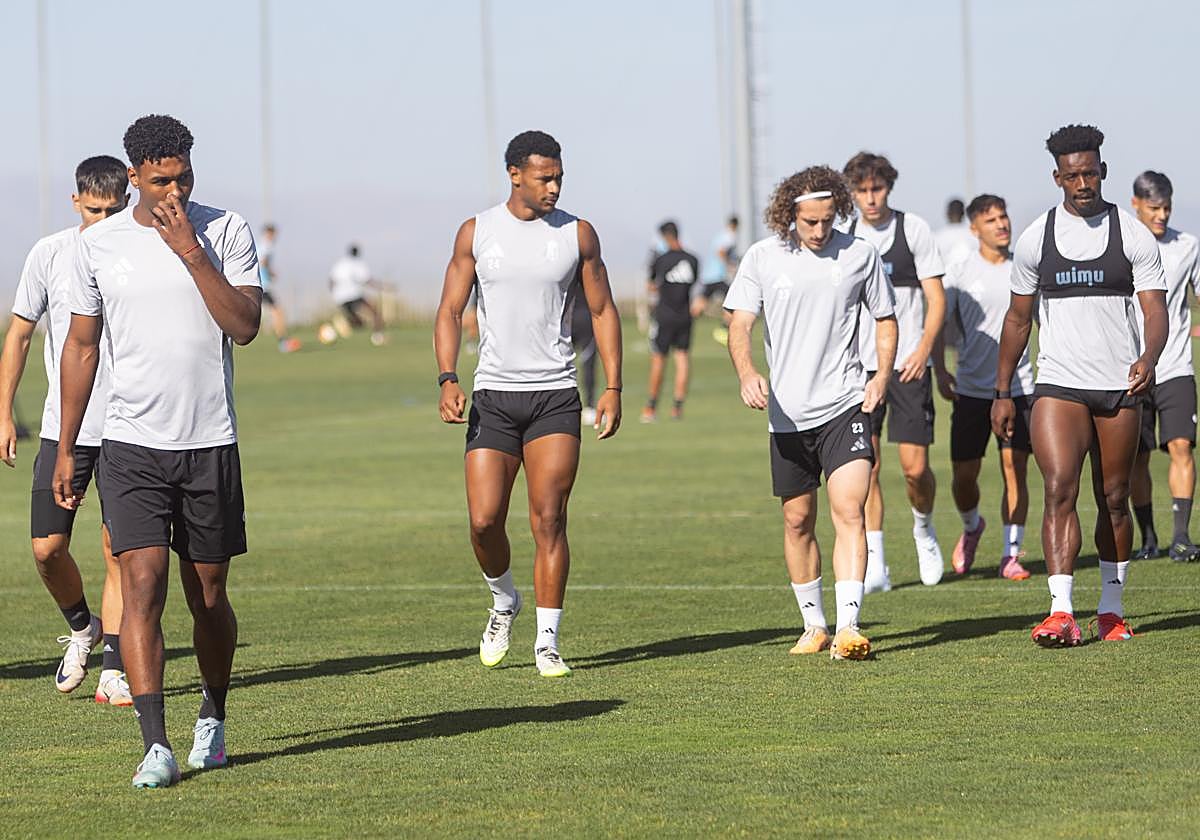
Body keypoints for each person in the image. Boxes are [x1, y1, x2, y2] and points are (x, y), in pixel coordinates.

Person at [55, 114, 262, 786]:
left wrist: (190, 251)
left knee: (208, 597)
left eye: (184, 176)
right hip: (130, 446)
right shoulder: (102, 245)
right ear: (135, 176)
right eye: (161, 179)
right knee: (141, 585)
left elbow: (246, 325)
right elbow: (83, 345)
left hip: (209, 444)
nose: (174, 190)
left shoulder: (225, 230)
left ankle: (214, 714)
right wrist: (66, 444)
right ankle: (154, 745)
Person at [434, 130, 623, 678]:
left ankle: (547, 641)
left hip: (556, 396)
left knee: (549, 519)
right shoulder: (477, 232)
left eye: (560, 176)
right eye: (545, 177)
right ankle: (502, 601)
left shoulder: (578, 235)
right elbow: (450, 309)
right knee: (484, 521)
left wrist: (612, 387)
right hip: (493, 395)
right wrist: (447, 377)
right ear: (515, 174)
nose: (555, 187)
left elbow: (605, 309)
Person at [993, 124, 1168, 647]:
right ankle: (1060, 611)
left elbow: (1155, 309)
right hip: (1059, 385)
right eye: (1073, 175)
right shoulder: (1037, 237)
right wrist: (1003, 390)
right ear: (1058, 178)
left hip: (1119, 388)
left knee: (1114, 498)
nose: (1083, 182)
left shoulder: (1131, 233)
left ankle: (1111, 611)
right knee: (1058, 488)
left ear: (1103, 171)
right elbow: (1018, 320)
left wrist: (1150, 355)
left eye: (1090, 172)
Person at [726, 166, 897, 660]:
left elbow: (885, 320)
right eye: (810, 223)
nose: (820, 232)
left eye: (827, 221)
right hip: (787, 415)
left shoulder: (860, 255)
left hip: (847, 404)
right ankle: (814, 625)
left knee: (849, 510)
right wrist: (746, 373)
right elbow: (739, 325)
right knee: (798, 520)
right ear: (789, 216)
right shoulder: (763, 257)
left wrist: (880, 376)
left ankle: (849, 626)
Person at [0, 155, 131, 705]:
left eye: (113, 210)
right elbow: (21, 334)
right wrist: (5, 411)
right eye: (93, 209)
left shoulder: (138, 254)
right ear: (76, 201)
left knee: (120, 551)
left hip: (130, 426)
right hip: (65, 428)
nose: (102, 220)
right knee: (47, 548)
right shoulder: (50, 254)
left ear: (127, 202)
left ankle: (116, 667)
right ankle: (83, 626)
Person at [843, 152, 947, 591]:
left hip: (906, 365)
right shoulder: (843, 236)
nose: (870, 198)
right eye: (862, 191)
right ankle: (876, 564)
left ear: (889, 187)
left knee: (914, 469)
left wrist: (923, 349)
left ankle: (923, 529)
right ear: (851, 192)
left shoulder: (913, 230)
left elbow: (936, 299)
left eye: (877, 189)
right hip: (858, 370)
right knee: (865, 467)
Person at [933, 194, 1034, 581]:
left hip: (1019, 387)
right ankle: (973, 525)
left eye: (1004, 216)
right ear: (974, 229)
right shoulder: (958, 271)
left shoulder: (1024, 269)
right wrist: (940, 371)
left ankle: (1011, 554)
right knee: (964, 477)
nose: (1001, 224)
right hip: (972, 390)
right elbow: (941, 324)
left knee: (1015, 467)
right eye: (991, 220)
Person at [1128, 171, 1200, 563]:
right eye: (1154, 208)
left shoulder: (1187, 246)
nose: (1162, 215)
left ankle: (1181, 538)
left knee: (1181, 446)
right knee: (1137, 456)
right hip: (1132, 369)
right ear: (1135, 203)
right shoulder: (1121, 243)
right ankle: (1149, 539)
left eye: (1167, 207)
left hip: (1175, 365)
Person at [642, 221, 699, 422]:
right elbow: (692, 286)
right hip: (685, 315)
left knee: (659, 359)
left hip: (665, 315)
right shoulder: (692, 259)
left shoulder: (661, 260)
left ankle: (651, 407)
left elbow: (651, 286)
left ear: (665, 237)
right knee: (682, 358)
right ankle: (677, 407)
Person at [329, 244, 386, 345]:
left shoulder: (340, 264)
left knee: (358, 323)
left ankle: (340, 325)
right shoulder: (358, 264)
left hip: (341, 298)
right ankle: (378, 337)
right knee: (375, 313)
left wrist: (333, 295)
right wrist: (382, 287)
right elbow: (367, 280)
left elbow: (331, 280)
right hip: (354, 295)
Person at [696, 215, 739, 344]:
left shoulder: (720, 235)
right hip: (719, 276)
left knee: (700, 303)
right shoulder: (729, 236)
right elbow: (721, 252)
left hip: (709, 275)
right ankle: (724, 330)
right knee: (733, 301)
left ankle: (683, 323)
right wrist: (729, 265)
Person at [257, 224, 300, 353]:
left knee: (275, 312)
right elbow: (263, 262)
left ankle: (283, 342)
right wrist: (271, 273)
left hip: (259, 284)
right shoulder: (267, 246)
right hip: (264, 286)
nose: (275, 237)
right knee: (278, 312)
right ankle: (283, 343)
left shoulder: (260, 245)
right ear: (268, 234)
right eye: (273, 234)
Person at [570, 291, 598, 425]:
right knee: (588, 363)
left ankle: (587, 408)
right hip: (584, 318)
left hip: (565, 318)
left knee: (561, 363)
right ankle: (589, 407)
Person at [935, 198, 977, 268]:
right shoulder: (975, 235)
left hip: (946, 277)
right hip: (973, 277)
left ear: (947, 213)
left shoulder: (937, 237)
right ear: (964, 214)